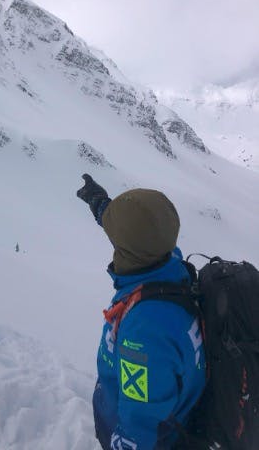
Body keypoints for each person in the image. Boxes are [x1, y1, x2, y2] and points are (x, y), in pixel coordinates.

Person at [77, 174, 206, 450]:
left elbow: (140, 425)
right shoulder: (168, 261)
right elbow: (140, 233)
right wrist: (101, 205)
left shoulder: (145, 330)